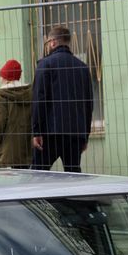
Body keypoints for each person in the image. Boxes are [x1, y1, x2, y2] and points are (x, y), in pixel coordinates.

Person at [31, 25, 94, 172]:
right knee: (73, 174)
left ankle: (40, 196)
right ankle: (72, 196)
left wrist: (37, 131)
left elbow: (39, 99)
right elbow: (88, 104)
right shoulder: (82, 68)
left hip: (49, 132)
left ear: (52, 42)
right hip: (75, 132)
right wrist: (85, 135)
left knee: (38, 174)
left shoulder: (45, 65)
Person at [0, 59, 33, 169]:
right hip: (26, 151)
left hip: (6, 155)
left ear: (6, 78)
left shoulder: (1, 97)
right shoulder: (30, 94)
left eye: (2, 76)